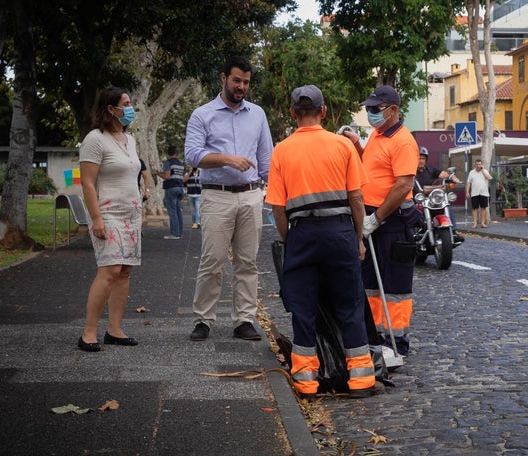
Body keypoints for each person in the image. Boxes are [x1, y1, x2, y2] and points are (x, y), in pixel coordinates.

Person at [266, 85, 380, 399]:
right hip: (340, 232)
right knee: (349, 304)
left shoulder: (282, 150)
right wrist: (357, 238)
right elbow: (357, 198)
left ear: (292, 113)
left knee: (303, 309)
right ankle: (361, 381)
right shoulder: (342, 146)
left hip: (302, 232)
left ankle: (306, 383)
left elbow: (277, 207)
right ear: (324, 111)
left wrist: (292, 239)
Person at [184, 55, 273, 341]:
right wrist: (227, 160)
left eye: (246, 82)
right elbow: (193, 154)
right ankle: (203, 320)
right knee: (212, 261)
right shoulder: (202, 114)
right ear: (223, 78)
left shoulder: (258, 114)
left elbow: (267, 160)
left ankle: (244, 320)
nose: (241, 87)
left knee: (248, 262)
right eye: (236, 80)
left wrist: (277, 192)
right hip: (216, 196)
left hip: (250, 196)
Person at [341, 85, 421, 358]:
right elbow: (370, 166)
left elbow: (403, 185)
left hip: (394, 222)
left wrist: (377, 218)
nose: (370, 113)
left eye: (375, 109)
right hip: (375, 218)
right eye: (368, 109)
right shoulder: (377, 135)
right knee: (372, 285)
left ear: (393, 110)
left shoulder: (403, 141)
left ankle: (397, 343)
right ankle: (377, 337)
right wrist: (356, 144)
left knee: (395, 286)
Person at [77, 86, 142, 352]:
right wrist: (97, 219)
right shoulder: (95, 139)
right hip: (108, 213)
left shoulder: (130, 140)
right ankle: (88, 333)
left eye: (130, 103)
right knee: (109, 271)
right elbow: (88, 184)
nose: (130, 108)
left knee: (125, 271)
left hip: (132, 215)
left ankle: (114, 330)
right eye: (125, 104)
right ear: (110, 109)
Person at [155, 145, 185, 239]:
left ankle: (174, 233)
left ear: (168, 153)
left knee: (172, 212)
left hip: (171, 188)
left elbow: (167, 176)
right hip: (180, 188)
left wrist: (158, 173)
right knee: (178, 211)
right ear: (177, 154)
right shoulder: (180, 164)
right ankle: (179, 233)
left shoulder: (168, 162)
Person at [465, 159, 492, 228]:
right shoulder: (471, 172)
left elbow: (489, 178)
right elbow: (468, 183)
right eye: (477, 164)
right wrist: (467, 192)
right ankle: (475, 223)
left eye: (479, 164)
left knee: (483, 208)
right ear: (475, 164)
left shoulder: (485, 171)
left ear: (482, 165)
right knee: (474, 208)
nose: (478, 165)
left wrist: (483, 170)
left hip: (484, 193)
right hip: (474, 193)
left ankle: (483, 223)